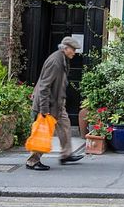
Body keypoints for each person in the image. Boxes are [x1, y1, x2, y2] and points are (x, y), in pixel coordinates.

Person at [26, 36, 84, 171]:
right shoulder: (55, 62)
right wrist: (44, 109)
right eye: (73, 49)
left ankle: (66, 154)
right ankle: (32, 161)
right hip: (48, 104)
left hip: (57, 102)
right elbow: (44, 86)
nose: (74, 52)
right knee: (44, 131)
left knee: (65, 125)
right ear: (65, 48)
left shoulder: (63, 59)